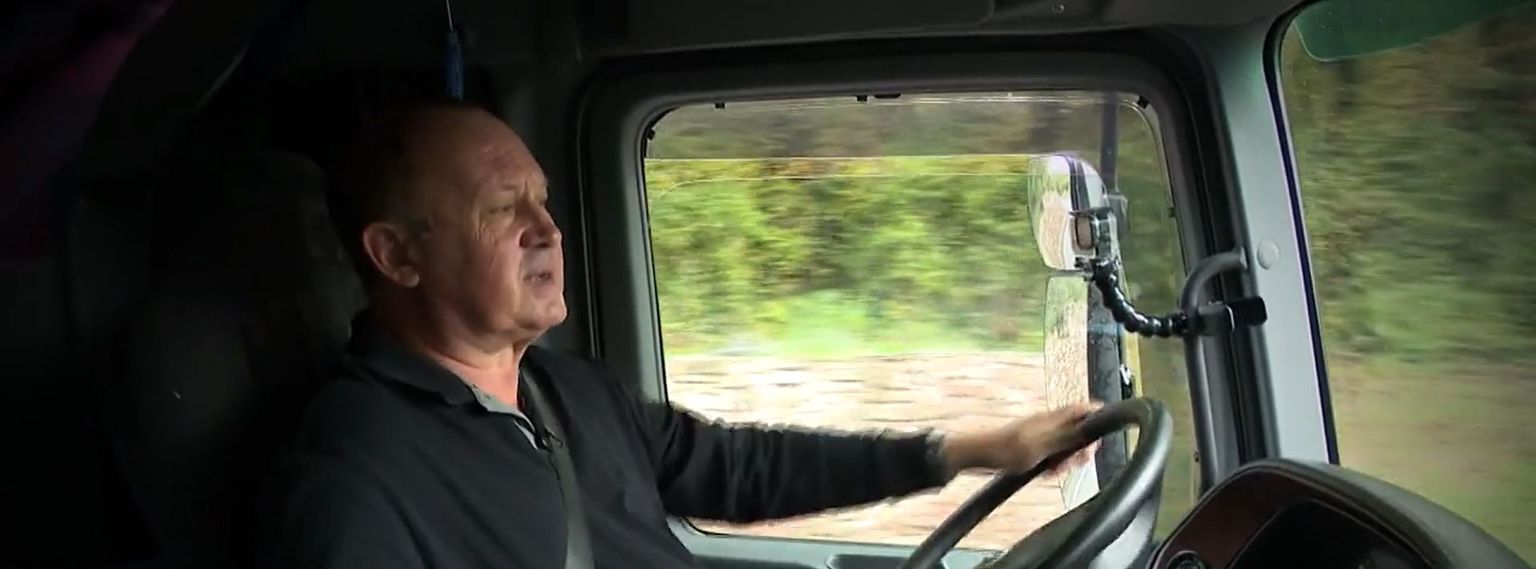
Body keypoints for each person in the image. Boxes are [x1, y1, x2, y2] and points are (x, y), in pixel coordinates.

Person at [260, 102, 1101, 568]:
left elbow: (740, 468)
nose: (547, 229)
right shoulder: (357, 470)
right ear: (398, 255)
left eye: (543, 200)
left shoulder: (567, 388)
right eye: (501, 209)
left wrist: (973, 447)